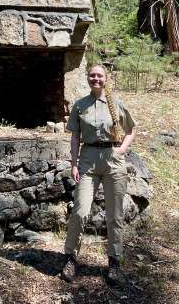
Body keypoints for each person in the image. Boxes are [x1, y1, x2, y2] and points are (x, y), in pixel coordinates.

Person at [61, 65, 136, 284]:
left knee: (114, 215)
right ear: (87, 79)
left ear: (106, 79)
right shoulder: (80, 105)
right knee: (80, 212)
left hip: (113, 161)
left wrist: (121, 149)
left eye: (99, 75)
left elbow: (130, 130)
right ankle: (70, 257)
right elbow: (75, 136)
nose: (96, 78)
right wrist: (73, 164)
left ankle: (114, 261)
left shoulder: (116, 103)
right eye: (92, 75)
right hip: (88, 159)